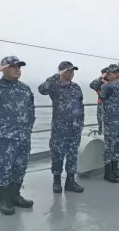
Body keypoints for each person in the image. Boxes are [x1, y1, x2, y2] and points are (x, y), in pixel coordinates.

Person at [0, 56, 35, 215]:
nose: (18, 69)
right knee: (3, 169)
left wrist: (28, 130)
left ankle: (15, 196)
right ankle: (4, 200)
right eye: (13, 66)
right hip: (3, 138)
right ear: (4, 69)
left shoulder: (25, 88)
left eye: (20, 66)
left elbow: (30, 110)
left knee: (20, 167)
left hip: (23, 137)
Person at [38, 61, 84, 194]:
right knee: (57, 154)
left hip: (75, 127)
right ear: (61, 71)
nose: (71, 73)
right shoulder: (54, 86)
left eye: (72, 71)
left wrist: (81, 123)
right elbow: (42, 89)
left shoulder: (76, 87)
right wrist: (57, 75)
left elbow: (80, 106)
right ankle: (56, 181)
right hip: (60, 127)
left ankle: (70, 181)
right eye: (67, 71)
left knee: (72, 154)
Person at [90, 64, 119, 183]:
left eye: (118, 72)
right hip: (111, 121)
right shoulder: (106, 86)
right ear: (108, 75)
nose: (117, 74)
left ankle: (114, 169)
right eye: (114, 73)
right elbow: (93, 85)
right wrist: (106, 76)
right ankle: (107, 172)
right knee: (109, 146)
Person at [94, 67, 108, 135]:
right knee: (101, 122)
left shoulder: (109, 83)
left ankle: (101, 133)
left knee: (102, 122)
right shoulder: (100, 83)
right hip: (101, 103)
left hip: (104, 103)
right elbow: (94, 86)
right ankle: (100, 134)